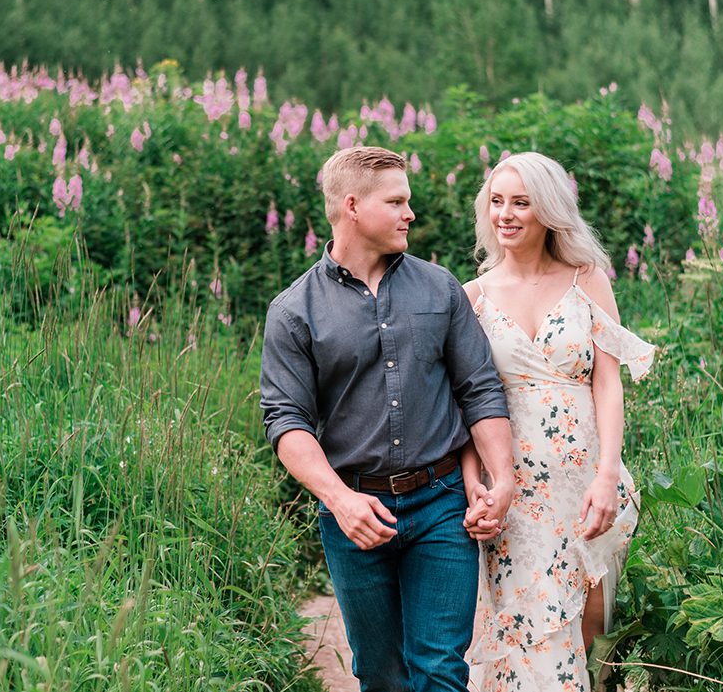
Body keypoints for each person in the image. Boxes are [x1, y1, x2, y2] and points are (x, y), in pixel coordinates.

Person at [260, 145, 515, 692]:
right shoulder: (293, 311)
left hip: (442, 503)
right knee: (380, 673)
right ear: (352, 206)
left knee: (440, 668)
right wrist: (340, 499)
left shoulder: (439, 287)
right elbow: (287, 423)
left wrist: (503, 479)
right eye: (396, 202)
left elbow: (479, 388)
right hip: (354, 511)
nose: (410, 213)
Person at [460, 152, 656, 692]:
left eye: (521, 202)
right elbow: (469, 401)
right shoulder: (471, 297)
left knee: (589, 626)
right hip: (513, 491)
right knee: (521, 624)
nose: (506, 214)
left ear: (548, 211)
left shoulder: (586, 280)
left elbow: (608, 382)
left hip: (585, 483)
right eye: (497, 201)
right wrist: (475, 483)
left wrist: (608, 474)